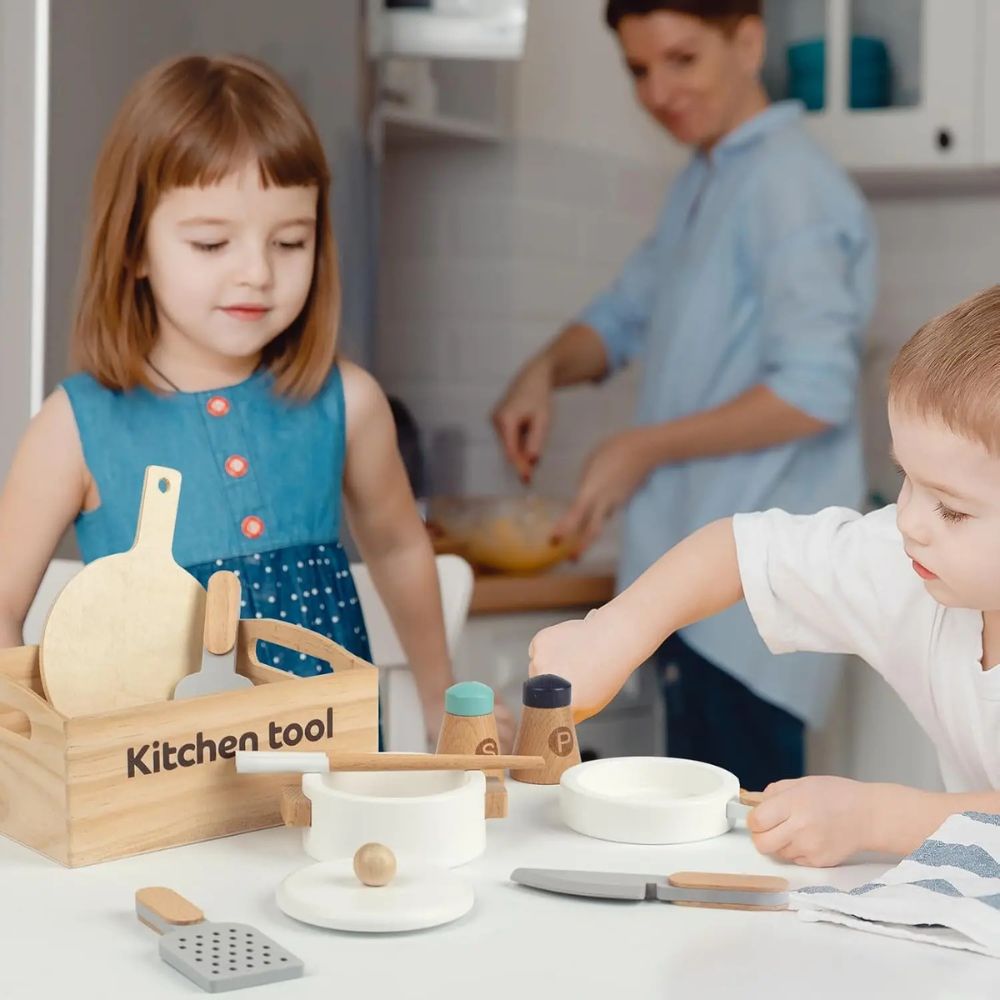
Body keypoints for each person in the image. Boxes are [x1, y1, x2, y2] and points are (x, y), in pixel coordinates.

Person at [0, 54, 513, 750]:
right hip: (154, 793)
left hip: (332, 772)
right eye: (212, 242)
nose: (257, 273)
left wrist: (440, 701)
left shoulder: (348, 402)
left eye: (290, 241)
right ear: (135, 249)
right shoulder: (75, 424)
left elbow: (396, 548)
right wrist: (30, 743)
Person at [492, 0, 876, 789]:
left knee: (744, 866)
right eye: (638, 69)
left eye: (682, 59)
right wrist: (544, 369)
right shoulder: (707, 179)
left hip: (756, 618)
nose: (659, 91)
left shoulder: (789, 185)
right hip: (697, 609)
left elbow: (815, 391)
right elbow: (622, 315)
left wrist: (640, 448)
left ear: (748, 40)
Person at [529, 286, 1000, 868]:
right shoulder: (903, 561)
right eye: (906, 478)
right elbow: (738, 549)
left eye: (950, 508)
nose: (908, 520)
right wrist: (613, 633)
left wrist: (876, 818)